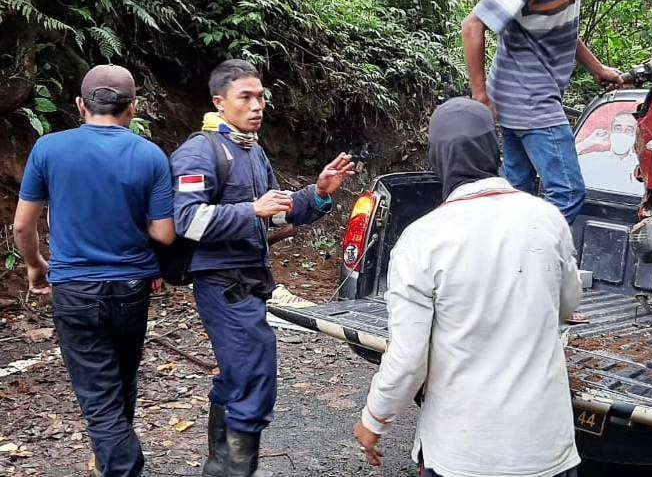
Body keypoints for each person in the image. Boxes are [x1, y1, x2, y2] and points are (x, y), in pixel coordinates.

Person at [353, 98, 583, 477]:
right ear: (495, 152)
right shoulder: (548, 218)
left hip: (463, 454)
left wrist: (373, 420)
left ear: (438, 159)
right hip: (546, 449)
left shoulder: (422, 240)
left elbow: (409, 359)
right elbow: (567, 304)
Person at [170, 59, 355, 477]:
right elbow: (187, 220)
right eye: (246, 97)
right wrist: (250, 208)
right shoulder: (201, 151)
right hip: (221, 282)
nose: (258, 106)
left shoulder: (251, 151)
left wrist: (318, 193)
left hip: (250, 283)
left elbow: (275, 217)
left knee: (240, 376)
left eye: (261, 96)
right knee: (254, 377)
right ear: (220, 102)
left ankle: (222, 467)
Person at [13, 65, 175, 477]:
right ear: (133, 108)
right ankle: (111, 461)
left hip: (74, 288)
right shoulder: (150, 155)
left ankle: (121, 466)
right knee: (120, 383)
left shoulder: (49, 149)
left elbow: (22, 225)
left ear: (80, 104)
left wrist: (35, 266)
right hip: (131, 288)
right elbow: (164, 233)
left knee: (99, 395)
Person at [462, 0, 627, 224]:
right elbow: (473, 24)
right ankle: (527, 262)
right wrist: (479, 95)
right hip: (529, 99)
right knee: (568, 193)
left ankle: (505, 263)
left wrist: (597, 69)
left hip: (513, 96)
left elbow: (558, 27)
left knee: (516, 192)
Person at [577, 110, 643, 194]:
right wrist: (587, 143)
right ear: (611, 131)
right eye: (618, 128)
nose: (622, 134)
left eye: (629, 130)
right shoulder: (595, 159)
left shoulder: (640, 164)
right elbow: (562, 163)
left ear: (635, 136)